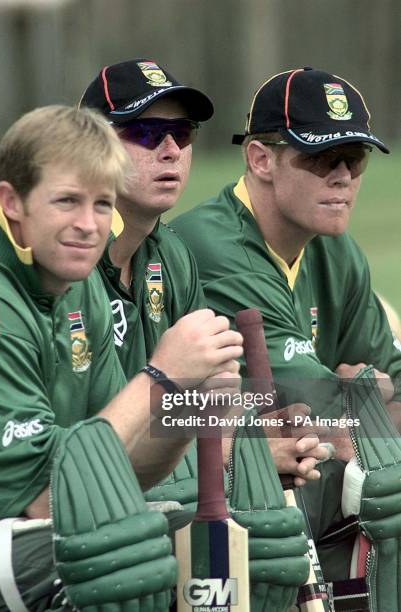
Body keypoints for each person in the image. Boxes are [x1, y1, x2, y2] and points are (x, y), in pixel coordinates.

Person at [0, 105, 243, 610]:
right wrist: (160, 376)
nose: (89, 225)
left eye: (102, 204)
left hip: (12, 537)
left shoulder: (77, 286)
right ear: (12, 202)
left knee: (220, 546)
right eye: (67, 201)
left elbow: (116, 471)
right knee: (124, 557)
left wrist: (187, 407)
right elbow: (49, 497)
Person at [171, 67, 401, 584]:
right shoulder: (214, 246)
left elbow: (394, 392)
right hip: (221, 523)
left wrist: (364, 399)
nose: (342, 175)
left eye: (355, 158)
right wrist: (363, 396)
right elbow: (311, 410)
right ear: (260, 159)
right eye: (321, 158)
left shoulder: (336, 249)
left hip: (303, 516)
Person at [79, 59, 327, 489]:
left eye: (183, 132)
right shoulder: (70, 265)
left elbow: (211, 402)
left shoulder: (173, 255)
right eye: (145, 133)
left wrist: (253, 434)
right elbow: (98, 444)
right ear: (89, 149)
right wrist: (241, 452)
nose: (171, 149)